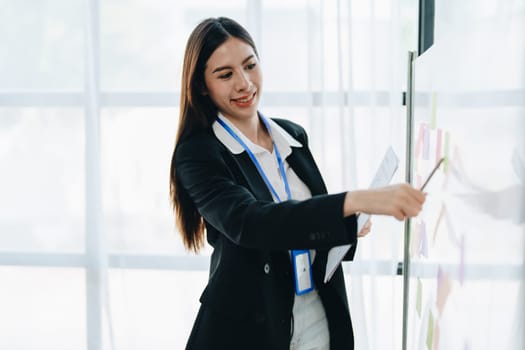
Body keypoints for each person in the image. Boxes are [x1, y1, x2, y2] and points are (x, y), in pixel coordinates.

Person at [169, 16, 425, 350]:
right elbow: (252, 223)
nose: (244, 83)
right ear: (202, 85)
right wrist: (355, 201)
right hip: (250, 327)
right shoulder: (198, 153)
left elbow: (301, 216)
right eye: (225, 74)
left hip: (317, 311)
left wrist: (346, 223)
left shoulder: (292, 136)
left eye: (250, 65)